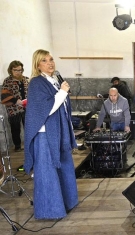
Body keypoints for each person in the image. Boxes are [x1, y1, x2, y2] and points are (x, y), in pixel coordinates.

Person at [24, 49, 78, 219]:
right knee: (47, 172)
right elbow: (45, 110)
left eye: (51, 59)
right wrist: (62, 92)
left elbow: (62, 108)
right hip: (45, 135)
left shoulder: (54, 80)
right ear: (38, 65)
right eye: (45, 61)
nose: (50, 63)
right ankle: (50, 210)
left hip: (58, 132)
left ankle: (67, 202)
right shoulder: (36, 83)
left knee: (64, 167)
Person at [1, 60, 29, 151]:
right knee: (15, 128)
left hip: (27, 107)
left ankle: (29, 144)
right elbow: (4, 95)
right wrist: (16, 101)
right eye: (15, 70)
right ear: (11, 70)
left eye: (20, 70)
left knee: (28, 126)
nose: (18, 72)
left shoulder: (26, 79)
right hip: (14, 108)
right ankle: (17, 146)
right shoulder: (7, 81)